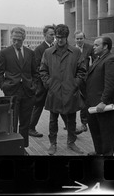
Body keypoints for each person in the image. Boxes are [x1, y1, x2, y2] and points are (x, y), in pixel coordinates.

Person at [39, 24, 86, 155]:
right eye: (57, 37)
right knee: (53, 120)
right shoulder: (48, 52)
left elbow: (82, 70)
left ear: (67, 37)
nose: (59, 40)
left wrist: (75, 84)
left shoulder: (75, 52)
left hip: (70, 91)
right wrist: (48, 84)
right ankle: (52, 144)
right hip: (54, 91)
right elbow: (42, 70)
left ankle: (71, 142)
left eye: (62, 37)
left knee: (71, 119)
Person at [0, 27, 37, 155]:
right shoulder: (5, 53)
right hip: (12, 91)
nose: (15, 42)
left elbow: (35, 72)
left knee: (25, 122)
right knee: (12, 121)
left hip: (27, 92)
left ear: (23, 39)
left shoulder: (30, 53)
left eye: (18, 40)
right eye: (13, 39)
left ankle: (22, 148)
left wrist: (34, 86)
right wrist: (3, 85)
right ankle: (11, 148)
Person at [85, 36, 114, 156]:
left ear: (105, 46)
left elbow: (110, 84)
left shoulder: (111, 60)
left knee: (107, 133)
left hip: (104, 105)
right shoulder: (98, 59)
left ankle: (107, 154)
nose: (93, 47)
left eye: (96, 45)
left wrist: (103, 101)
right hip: (93, 104)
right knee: (96, 131)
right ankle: (99, 151)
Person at [28, 25, 55, 138]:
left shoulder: (56, 47)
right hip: (43, 84)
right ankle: (30, 127)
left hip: (54, 83)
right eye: (51, 35)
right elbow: (37, 68)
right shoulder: (39, 49)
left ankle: (69, 127)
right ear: (45, 35)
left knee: (59, 104)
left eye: (54, 34)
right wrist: (46, 82)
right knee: (38, 106)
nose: (53, 37)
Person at [74, 30, 95, 135]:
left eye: (81, 38)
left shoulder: (90, 48)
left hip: (86, 80)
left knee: (85, 100)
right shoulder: (72, 49)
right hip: (74, 80)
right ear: (75, 39)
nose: (79, 40)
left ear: (84, 38)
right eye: (77, 38)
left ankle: (84, 123)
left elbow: (95, 62)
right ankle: (70, 124)